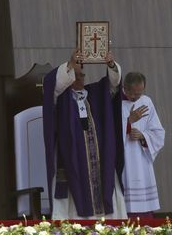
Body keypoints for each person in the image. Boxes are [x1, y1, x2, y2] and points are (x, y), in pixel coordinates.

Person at [43, 49, 127, 219]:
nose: (80, 79)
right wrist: (70, 64)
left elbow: (113, 86)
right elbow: (52, 84)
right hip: (72, 160)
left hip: (100, 159)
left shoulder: (95, 93)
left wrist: (110, 64)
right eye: (76, 75)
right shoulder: (62, 98)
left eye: (82, 75)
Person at [122, 72, 165, 219]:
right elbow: (107, 134)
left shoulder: (146, 101)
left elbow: (158, 132)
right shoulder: (114, 102)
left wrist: (143, 136)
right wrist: (128, 123)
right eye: (134, 94)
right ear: (125, 88)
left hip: (141, 160)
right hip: (124, 160)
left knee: (144, 211)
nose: (137, 98)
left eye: (140, 93)